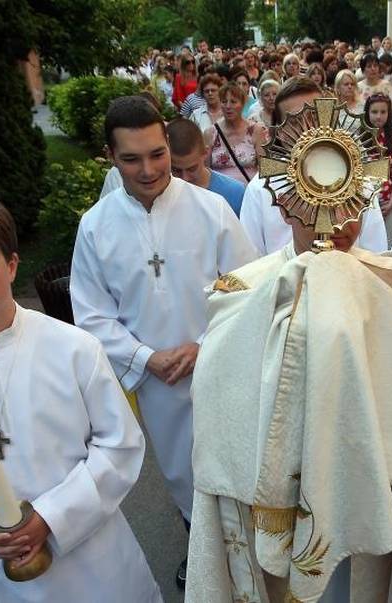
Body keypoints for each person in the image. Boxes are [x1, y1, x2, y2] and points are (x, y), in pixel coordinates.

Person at [185, 82, 392, 601]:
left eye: (344, 204)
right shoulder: (242, 294)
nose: (328, 217)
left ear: (361, 204)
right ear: (284, 207)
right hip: (275, 522)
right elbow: (220, 397)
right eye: (305, 205)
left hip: (365, 522)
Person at [0, 192, 162, 602]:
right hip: (7, 567)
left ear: (12, 265)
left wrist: (53, 517)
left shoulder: (73, 348)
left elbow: (120, 444)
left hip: (95, 558)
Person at [70, 96, 257, 589]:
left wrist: (202, 345)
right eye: (132, 158)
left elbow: (247, 287)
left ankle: (249, 562)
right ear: (111, 156)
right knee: (181, 475)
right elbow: (91, 314)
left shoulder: (212, 209)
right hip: (156, 382)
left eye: (157, 154)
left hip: (218, 366)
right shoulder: (96, 227)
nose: (149, 169)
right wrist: (145, 358)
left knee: (237, 465)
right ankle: (201, 558)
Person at [239, 78, 388, 255]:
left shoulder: (360, 178)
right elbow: (252, 259)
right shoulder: (260, 188)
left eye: (314, 117)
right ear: (281, 133)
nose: (308, 129)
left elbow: (375, 252)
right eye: (296, 122)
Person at [168, 118, 246, 216]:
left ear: (206, 152)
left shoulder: (235, 193)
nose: (185, 178)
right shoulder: (161, 194)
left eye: (192, 169)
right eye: (176, 170)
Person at [204, 82, 265, 184]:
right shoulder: (210, 133)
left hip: (248, 193)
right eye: (224, 102)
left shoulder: (256, 130)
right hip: (220, 195)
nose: (228, 106)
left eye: (233, 102)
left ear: (242, 104)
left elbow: (265, 169)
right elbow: (205, 169)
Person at [365, 93, 392, 246]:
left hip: (388, 200)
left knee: (386, 242)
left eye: (383, 112)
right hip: (366, 202)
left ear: (389, 114)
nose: (379, 116)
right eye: (374, 112)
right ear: (367, 113)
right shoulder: (359, 139)